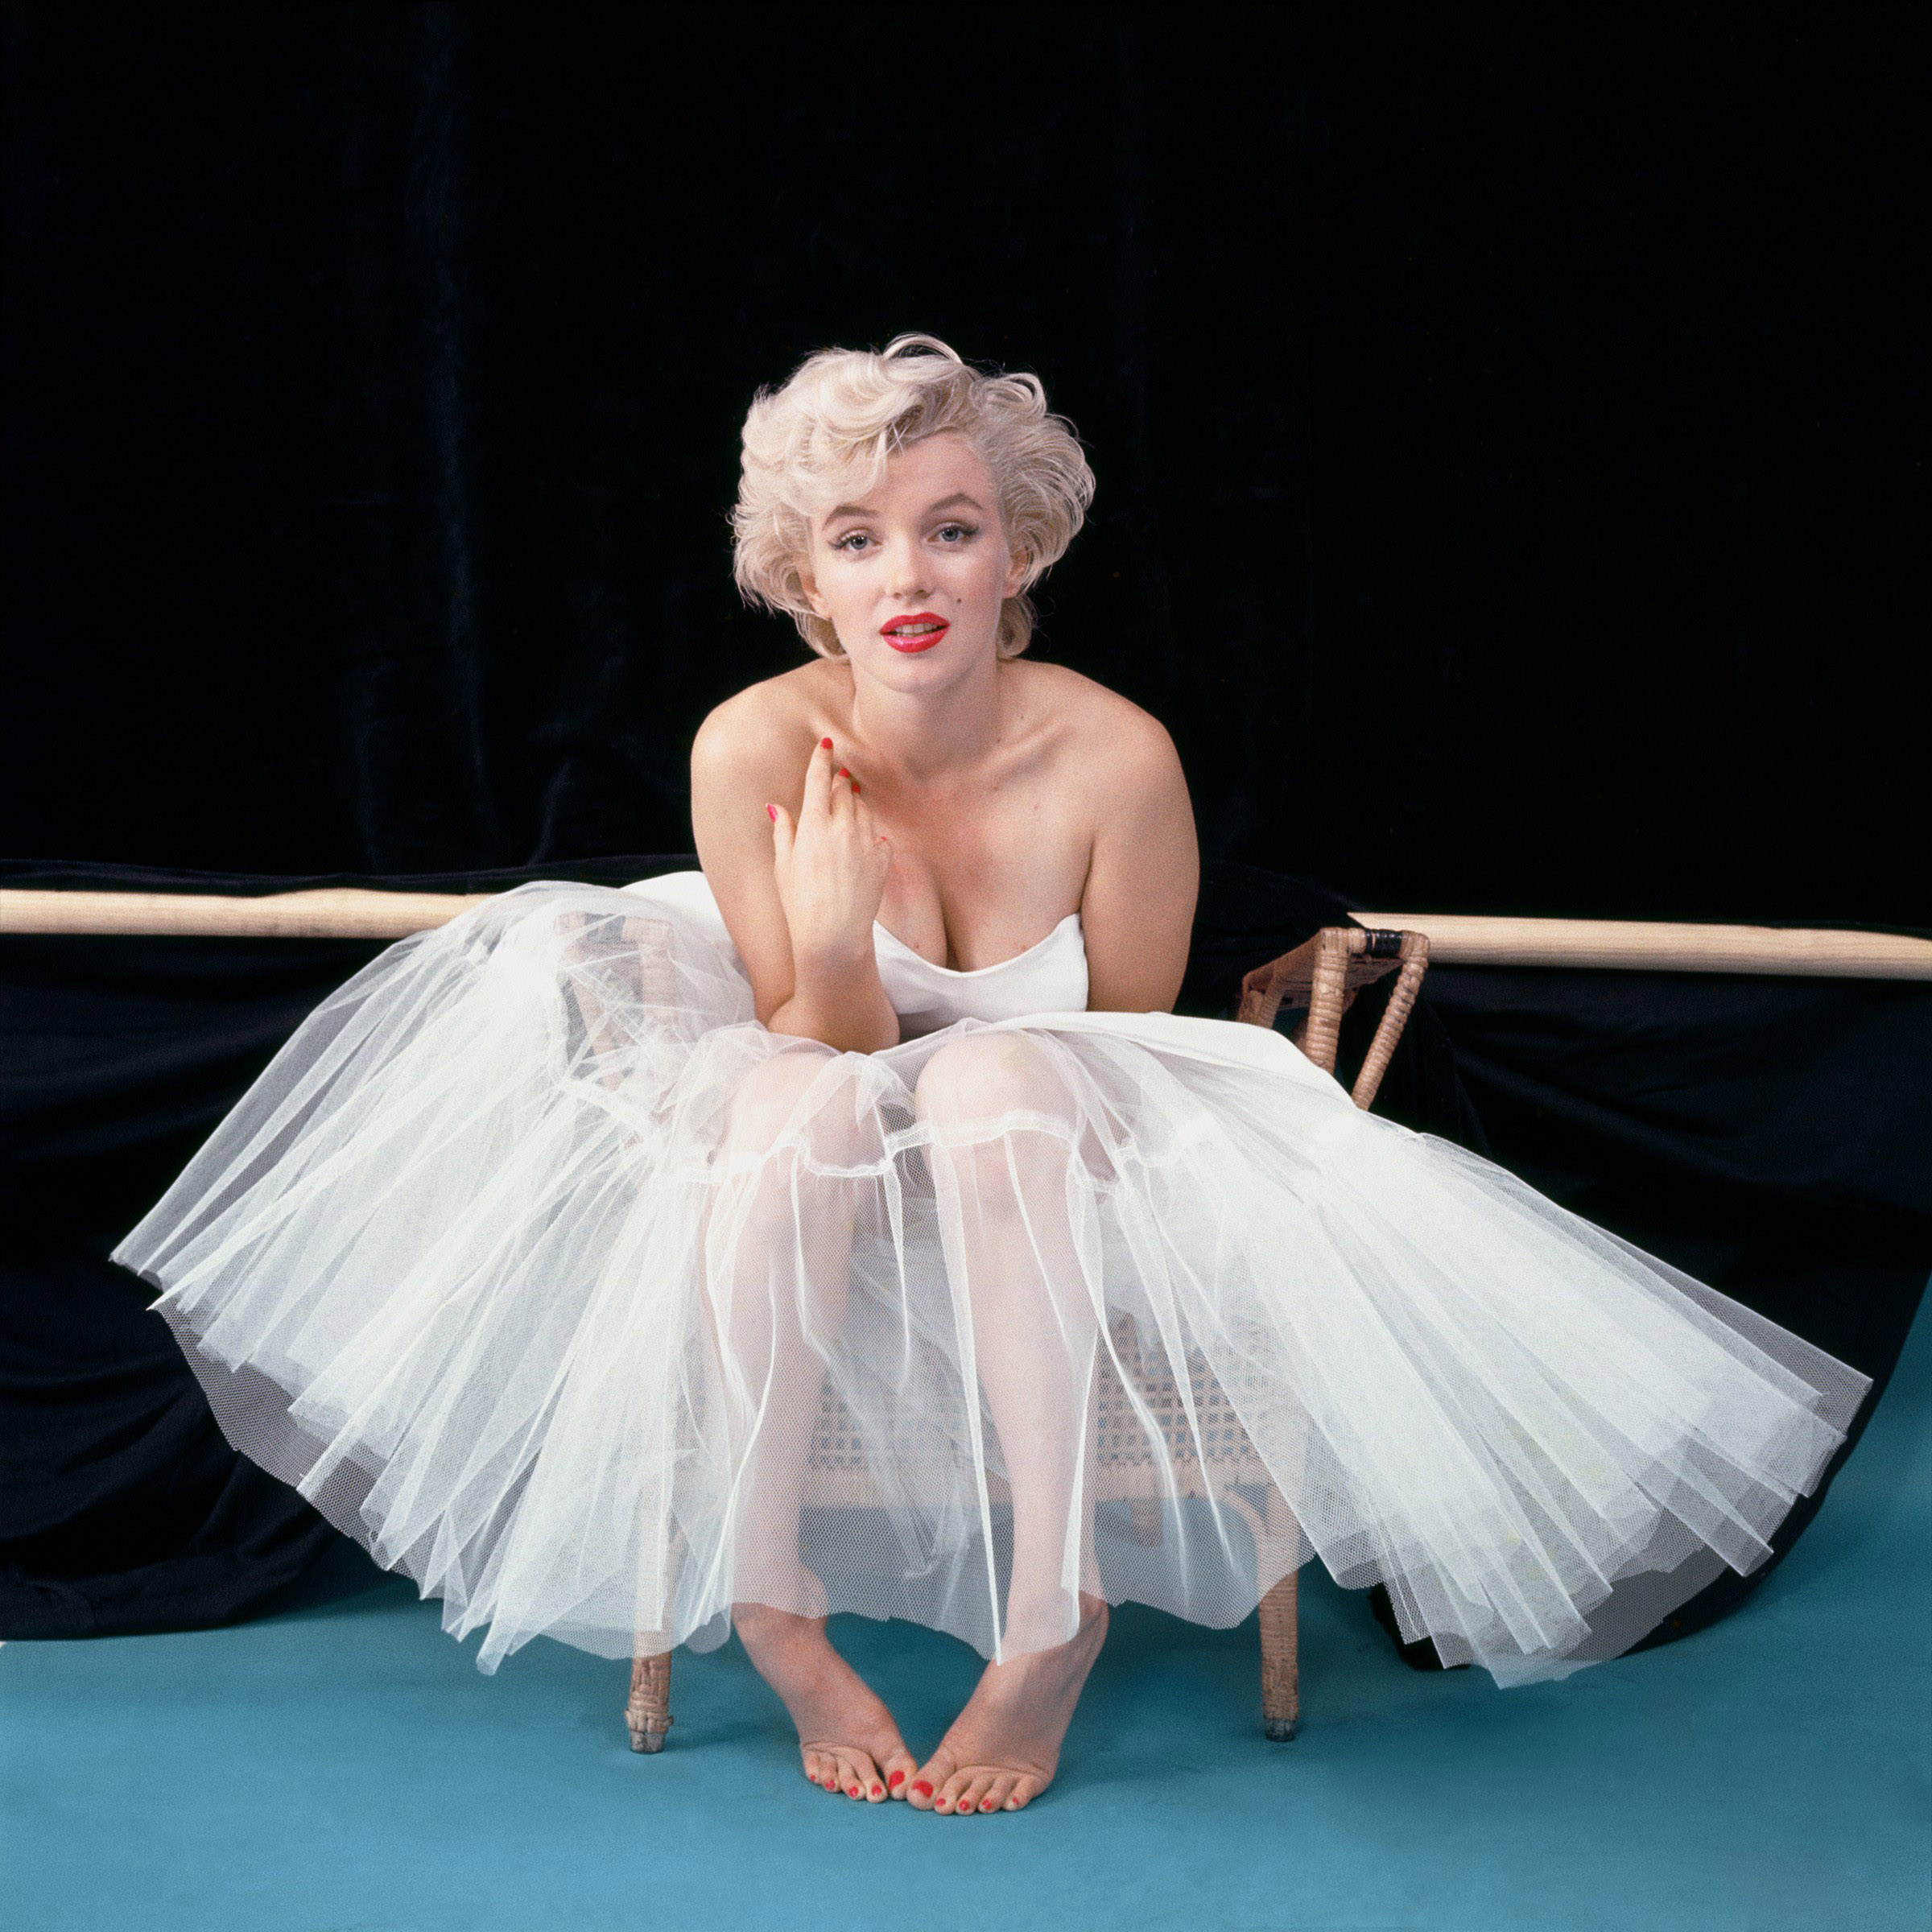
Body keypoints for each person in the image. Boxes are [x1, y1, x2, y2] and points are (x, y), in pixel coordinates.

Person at [114, 336, 1871, 1819]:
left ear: (1015, 553)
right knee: (793, 1099)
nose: (909, 580)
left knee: (995, 1085)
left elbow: (1127, 1043)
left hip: (1061, 1154)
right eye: (858, 541)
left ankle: (1052, 1614)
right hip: (817, 1135)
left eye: (950, 531)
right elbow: (809, 1048)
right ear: (801, 581)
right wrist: (829, 947)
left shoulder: (1117, 761)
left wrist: (934, 1045)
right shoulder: (751, 747)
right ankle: (770, 1599)